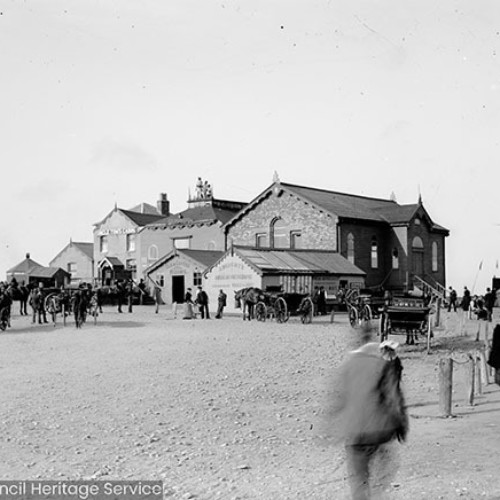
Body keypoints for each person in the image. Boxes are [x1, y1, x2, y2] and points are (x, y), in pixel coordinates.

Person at [324, 323, 408, 500]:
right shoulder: (384, 360)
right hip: (380, 429)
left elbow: (339, 398)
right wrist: (401, 423)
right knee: (383, 469)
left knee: (358, 479)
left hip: (355, 431)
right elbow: (393, 395)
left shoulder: (348, 364)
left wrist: (328, 425)